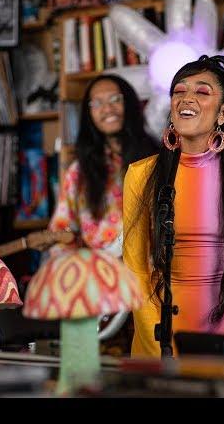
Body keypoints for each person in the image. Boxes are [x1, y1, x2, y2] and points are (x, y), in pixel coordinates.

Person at [123, 55, 224, 357]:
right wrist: (159, 345)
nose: (186, 98)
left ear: (223, 113)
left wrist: (222, 343)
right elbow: (135, 269)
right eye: (179, 91)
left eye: (202, 92)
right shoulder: (141, 174)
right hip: (157, 338)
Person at [47, 74, 157, 344]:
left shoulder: (157, 160)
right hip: (100, 295)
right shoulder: (78, 173)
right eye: (96, 103)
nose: (107, 109)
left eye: (114, 100)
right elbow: (61, 237)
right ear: (88, 114)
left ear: (130, 104)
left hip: (152, 289)